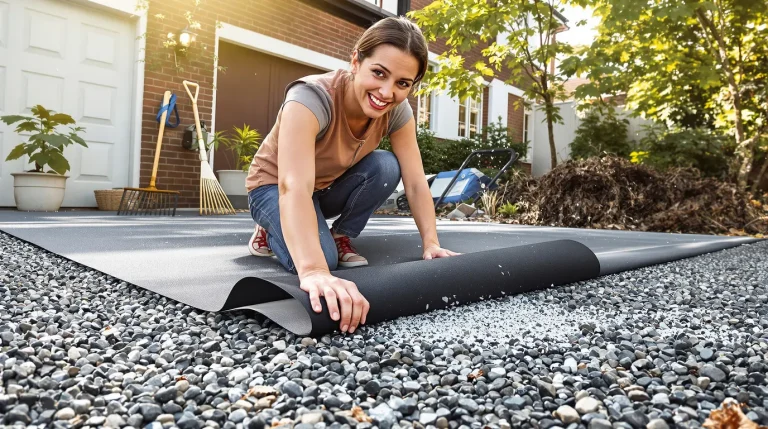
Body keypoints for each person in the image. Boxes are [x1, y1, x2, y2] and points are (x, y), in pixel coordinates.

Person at [245, 16, 460, 334]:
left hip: (323, 188)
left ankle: (340, 234)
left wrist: (431, 243)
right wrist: (315, 270)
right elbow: (293, 187)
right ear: (356, 61)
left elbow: (415, 182)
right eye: (379, 73)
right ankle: (271, 227)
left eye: (402, 83)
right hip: (273, 187)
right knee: (326, 262)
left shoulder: (396, 112)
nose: (386, 92)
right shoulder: (310, 98)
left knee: (386, 165)